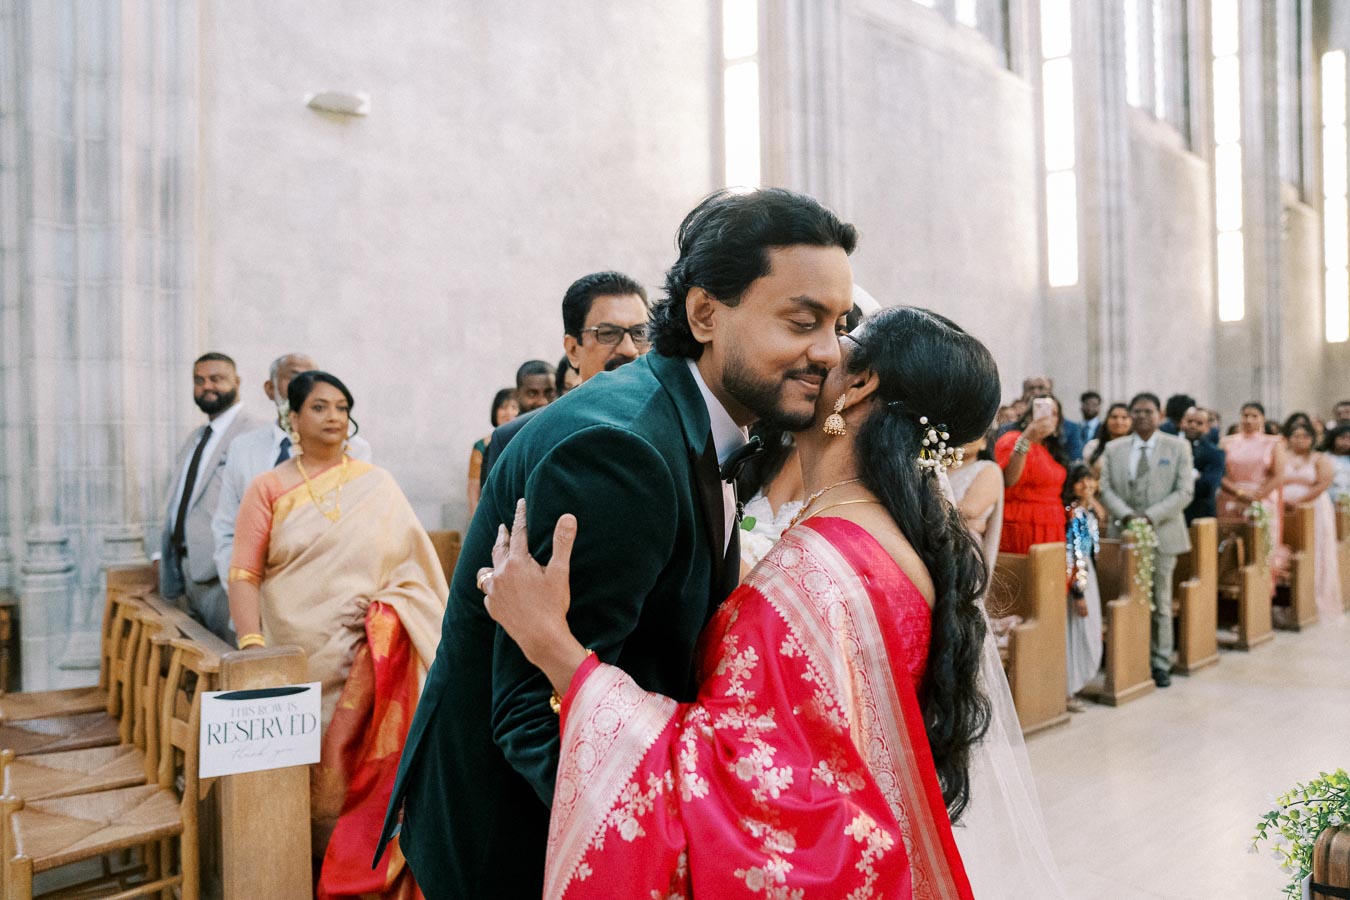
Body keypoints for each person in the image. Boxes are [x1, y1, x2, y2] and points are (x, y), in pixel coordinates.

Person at [480, 306, 1066, 898]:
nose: (815, 351)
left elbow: (739, 792)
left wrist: (550, 643)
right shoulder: (892, 541)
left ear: (859, 384)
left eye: (839, 337)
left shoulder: (816, 573)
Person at [379, 188, 860, 897]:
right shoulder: (623, 450)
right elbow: (531, 713)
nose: (828, 352)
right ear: (704, 313)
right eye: (802, 321)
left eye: (839, 324)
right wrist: (686, 847)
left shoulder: (689, 415)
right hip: (515, 840)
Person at [227, 371, 446, 897]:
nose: (334, 418)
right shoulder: (268, 486)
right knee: (303, 774)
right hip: (295, 654)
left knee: (358, 769)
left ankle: (361, 871)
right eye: (320, 407)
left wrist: (390, 614)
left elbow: (414, 569)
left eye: (342, 407)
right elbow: (244, 574)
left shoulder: (377, 484)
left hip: (365, 652)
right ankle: (304, 873)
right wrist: (254, 646)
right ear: (293, 418)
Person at [212, 352, 373, 586]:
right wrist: (243, 588)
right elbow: (226, 528)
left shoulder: (354, 451)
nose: (303, 385)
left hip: (328, 590)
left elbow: (359, 531)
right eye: (294, 377)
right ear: (269, 388)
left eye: (312, 378)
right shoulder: (242, 448)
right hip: (255, 593)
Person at [479, 273, 651, 488]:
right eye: (607, 333)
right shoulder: (514, 440)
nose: (629, 349)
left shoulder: (678, 431)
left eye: (640, 332)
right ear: (572, 349)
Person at [159, 352, 261, 642]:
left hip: (222, 574)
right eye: (199, 380)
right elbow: (180, 496)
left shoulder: (254, 432)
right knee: (199, 664)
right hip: (185, 570)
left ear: (237, 382)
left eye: (216, 379)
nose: (207, 387)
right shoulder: (197, 436)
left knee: (230, 659)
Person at [1098, 393, 1194, 688]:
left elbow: (1184, 491)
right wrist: (1128, 515)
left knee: (1160, 600)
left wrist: (1150, 516)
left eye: (1148, 411)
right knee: (1125, 596)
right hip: (1124, 532)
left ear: (1159, 415)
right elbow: (1105, 488)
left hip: (1163, 533)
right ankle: (1129, 654)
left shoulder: (1177, 446)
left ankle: (1160, 661)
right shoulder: (1115, 448)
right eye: (1136, 411)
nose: (1142, 416)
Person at [1218, 402, 1288, 579]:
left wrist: (1257, 496)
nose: (1248, 420)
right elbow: (1219, 473)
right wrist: (1239, 493)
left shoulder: (1273, 443)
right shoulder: (1227, 442)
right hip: (1231, 496)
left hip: (1262, 497)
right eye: (1245, 415)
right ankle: (1230, 586)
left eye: (1254, 416)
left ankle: (1262, 588)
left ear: (1262, 418)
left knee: (1260, 545)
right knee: (1231, 545)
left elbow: (1278, 475)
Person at [1282, 420, 1342, 621]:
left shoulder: (1319, 458)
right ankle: (1287, 599)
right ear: (1289, 438)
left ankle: (1315, 596)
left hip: (1313, 507)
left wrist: (1299, 501)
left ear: (1312, 439)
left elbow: (1323, 482)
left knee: (1315, 548)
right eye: (1295, 435)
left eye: (1305, 436)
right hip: (1284, 507)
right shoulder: (1283, 456)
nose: (1300, 440)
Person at [996, 395, 1069, 553]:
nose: (1049, 417)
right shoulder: (1012, 439)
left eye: (1054, 414)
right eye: (1044, 411)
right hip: (1021, 524)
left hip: (1053, 524)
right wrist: (1026, 439)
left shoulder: (1053, 449)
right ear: (1029, 416)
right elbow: (1009, 480)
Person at [1062, 463, 1104, 707]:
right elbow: (1073, 552)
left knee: (1089, 628)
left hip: (1088, 572)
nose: (1087, 485)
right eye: (1081, 481)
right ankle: (1069, 689)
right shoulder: (1073, 513)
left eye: (1091, 480)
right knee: (1078, 629)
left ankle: (1076, 686)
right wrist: (1078, 591)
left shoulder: (1087, 512)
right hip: (1079, 574)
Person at [949, 426, 1004, 572]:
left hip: (964, 549)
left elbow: (970, 510)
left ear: (984, 444)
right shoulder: (937, 468)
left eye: (973, 435)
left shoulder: (988, 469)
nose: (965, 439)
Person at [997, 376, 1083, 460]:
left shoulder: (1070, 428)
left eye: (1041, 388)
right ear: (1023, 394)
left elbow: (1074, 462)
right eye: (1031, 388)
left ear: (1050, 391)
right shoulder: (1007, 429)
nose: (1036, 392)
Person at [467, 388, 518, 516]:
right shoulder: (481, 446)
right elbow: (474, 487)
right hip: (490, 513)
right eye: (503, 407)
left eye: (514, 407)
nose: (509, 412)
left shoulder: (525, 441)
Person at [1181, 406, 1226, 523]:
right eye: (1189, 421)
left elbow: (1208, 487)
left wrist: (1186, 477)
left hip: (1200, 513)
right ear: (1182, 423)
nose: (1193, 426)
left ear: (1207, 427)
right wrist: (1196, 475)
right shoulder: (1172, 448)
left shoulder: (1215, 453)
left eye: (1199, 423)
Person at [1081, 402, 1133, 477]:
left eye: (1124, 418)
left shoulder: (1138, 447)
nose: (1118, 422)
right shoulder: (1093, 446)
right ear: (1107, 420)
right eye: (1114, 417)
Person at [1324, 423, 1350, 502]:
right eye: (1342, 438)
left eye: (1349, 439)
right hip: (1329, 496)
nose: (1346, 442)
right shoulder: (1324, 457)